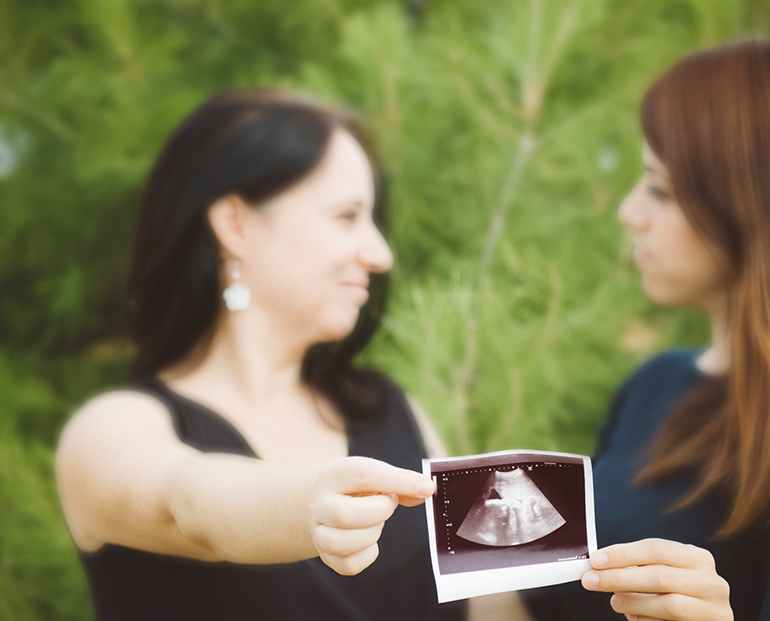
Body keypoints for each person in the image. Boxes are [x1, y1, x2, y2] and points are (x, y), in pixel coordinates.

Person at [523, 38, 770, 621]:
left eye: (661, 188)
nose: (630, 211)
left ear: (758, 208)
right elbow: (527, 606)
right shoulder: (652, 385)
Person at [54, 89, 481, 621]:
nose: (380, 254)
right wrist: (310, 503)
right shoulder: (108, 428)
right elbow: (187, 506)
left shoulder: (392, 409)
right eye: (347, 216)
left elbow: (487, 606)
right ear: (237, 224)